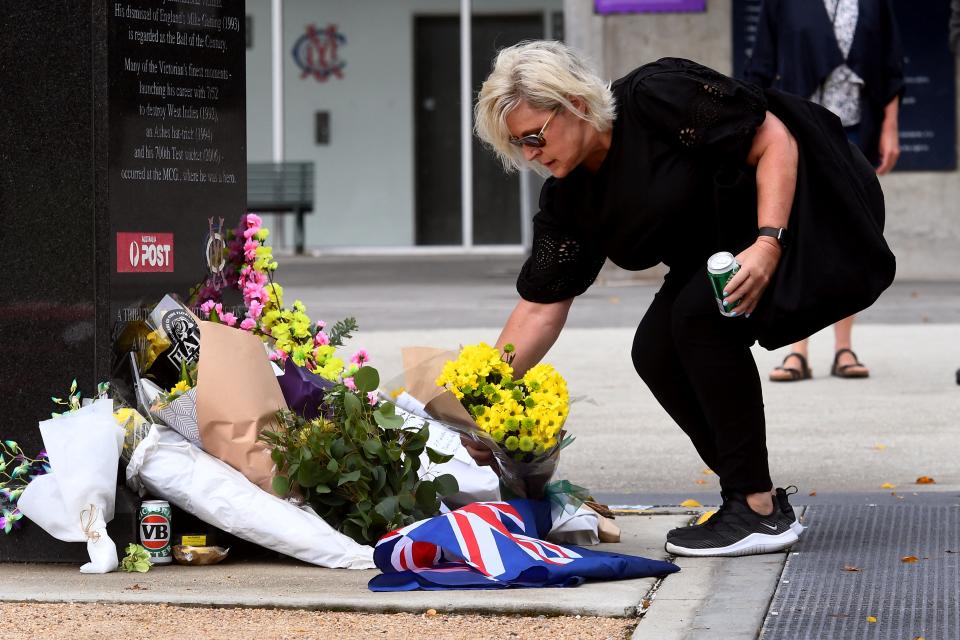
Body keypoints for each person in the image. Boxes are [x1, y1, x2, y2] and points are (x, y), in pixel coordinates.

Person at [464, 40, 811, 558]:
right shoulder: (570, 197)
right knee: (653, 350)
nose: (531, 155)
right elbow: (540, 306)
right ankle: (751, 497)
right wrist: (480, 404)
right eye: (520, 146)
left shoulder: (655, 98)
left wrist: (767, 243)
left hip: (785, 216)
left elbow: (773, 139)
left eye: (535, 137)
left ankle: (757, 508)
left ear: (575, 104)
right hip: (709, 260)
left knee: (696, 320)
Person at [744, 0, 904, 382]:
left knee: (850, 235)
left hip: (854, 130)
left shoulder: (873, 4)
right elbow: (761, 65)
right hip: (796, 131)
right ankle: (797, 350)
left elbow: (891, 65)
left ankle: (844, 347)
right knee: (794, 232)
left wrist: (890, 127)